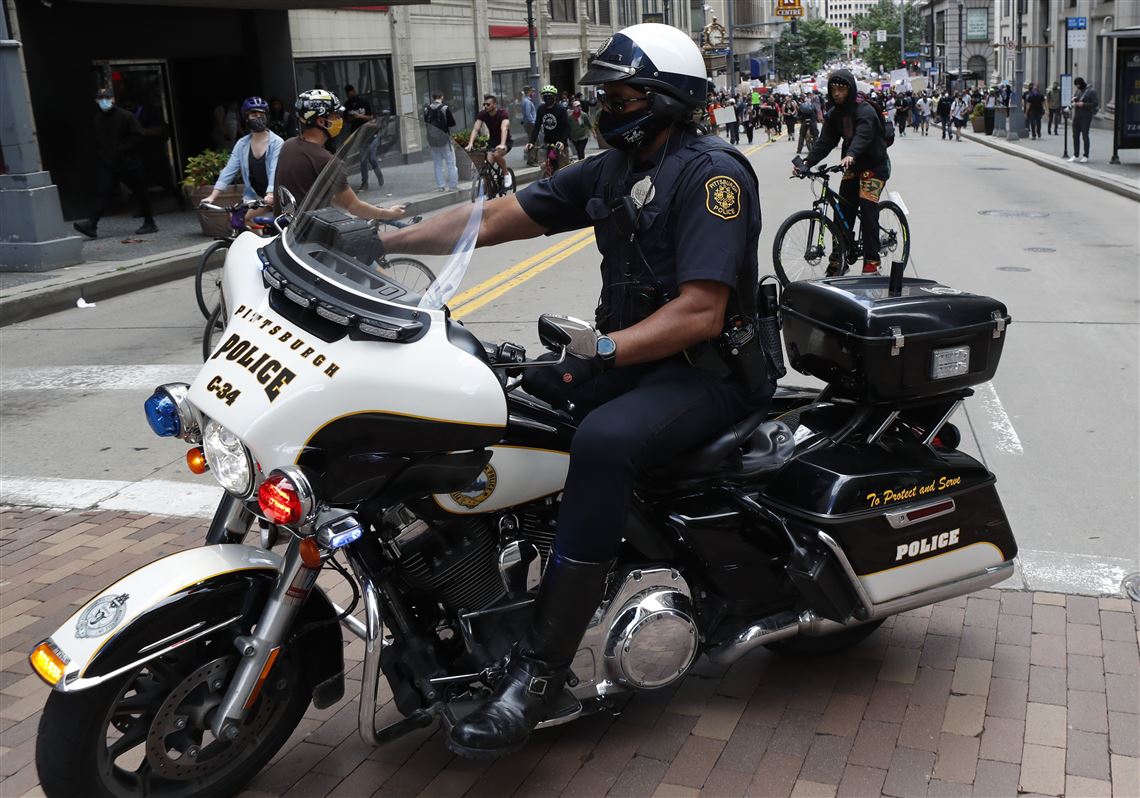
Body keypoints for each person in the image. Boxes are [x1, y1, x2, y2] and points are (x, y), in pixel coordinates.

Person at [381, 22, 770, 759]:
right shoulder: (610, 171)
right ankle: (493, 591)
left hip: (706, 374)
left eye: (620, 95)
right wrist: (384, 239)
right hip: (627, 362)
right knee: (507, 402)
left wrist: (604, 350)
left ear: (661, 99)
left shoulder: (713, 175)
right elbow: (494, 218)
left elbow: (701, 312)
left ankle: (539, 670)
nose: (605, 107)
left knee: (602, 442)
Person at [797, 69, 891, 276]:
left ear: (850, 89)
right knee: (842, 213)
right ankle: (839, 258)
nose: (837, 93)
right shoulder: (833, 114)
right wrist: (806, 162)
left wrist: (852, 153)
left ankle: (872, 261)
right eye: (833, 89)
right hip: (852, 167)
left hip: (875, 166)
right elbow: (825, 142)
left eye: (841, 89)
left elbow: (863, 136)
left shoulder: (865, 110)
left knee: (867, 207)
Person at [274, 89, 406, 223]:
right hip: (312, 238)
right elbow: (354, 207)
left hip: (284, 232)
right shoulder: (326, 161)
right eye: (335, 115)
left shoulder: (288, 145)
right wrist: (390, 213)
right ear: (321, 122)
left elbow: (325, 194)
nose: (340, 119)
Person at [73, 88, 158, 239]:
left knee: (139, 192)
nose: (104, 101)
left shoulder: (126, 116)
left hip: (129, 163)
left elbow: (139, 137)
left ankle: (150, 222)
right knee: (103, 192)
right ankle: (92, 224)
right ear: (96, 101)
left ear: (113, 99)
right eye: (100, 98)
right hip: (110, 163)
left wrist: (122, 150)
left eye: (107, 97)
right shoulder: (98, 119)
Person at [202, 97, 284, 226]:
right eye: (254, 114)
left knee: (244, 218)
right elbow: (229, 170)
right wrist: (212, 197)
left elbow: (275, 169)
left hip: (275, 196)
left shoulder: (277, 142)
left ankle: (260, 244)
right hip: (254, 197)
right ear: (246, 118)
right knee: (235, 219)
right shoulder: (242, 144)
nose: (258, 117)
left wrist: (270, 194)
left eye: (262, 114)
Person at [468, 93, 513, 189]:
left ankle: (506, 174)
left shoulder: (503, 113)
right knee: (487, 168)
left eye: (488, 104)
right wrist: (470, 143)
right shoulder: (483, 114)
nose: (485, 106)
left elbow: (504, 129)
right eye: (484, 104)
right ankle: (488, 191)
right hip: (492, 142)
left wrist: (502, 144)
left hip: (505, 142)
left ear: (494, 104)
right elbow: (476, 129)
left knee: (497, 154)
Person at [344, 85, 383, 189]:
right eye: (347, 94)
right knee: (363, 160)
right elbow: (346, 120)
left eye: (350, 92)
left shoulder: (364, 102)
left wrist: (360, 116)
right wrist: (352, 118)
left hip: (371, 135)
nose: (349, 95)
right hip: (360, 137)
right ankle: (365, 182)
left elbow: (372, 118)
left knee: (372, 158)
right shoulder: (347, 105)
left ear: (353, 91)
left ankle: (379, 175)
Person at [527, 85, 571, 174]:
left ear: (554, 97)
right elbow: (537, 126)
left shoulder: (561, 109)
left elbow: (567, 127)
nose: (547, 98)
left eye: (550, 96)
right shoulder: (541, 109)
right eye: (545, 96)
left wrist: (562, 141)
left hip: (560, 144)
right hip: (547, 143)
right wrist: (531, 142)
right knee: (543, 166)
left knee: (563, 171)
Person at [424, 91, 458, 192]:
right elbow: (452, 123)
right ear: (441, 97)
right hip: (444, 139)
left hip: (432, 141)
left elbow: (426, 123)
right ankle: (453, 186)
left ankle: (440, 186)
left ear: (433, 97)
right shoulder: (445, 108)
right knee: (451, 163)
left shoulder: (426, 109)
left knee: (437, 164)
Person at [1069, 77, 1099, 163]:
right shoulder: (1078, 91)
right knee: (1075, 135)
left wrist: (1084, 104)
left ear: (1081, 83)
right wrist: (1074, 100)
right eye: (1076, 85)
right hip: (1077, 115)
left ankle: (1086, 155)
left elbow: (1095, 103)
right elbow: (1075, 99)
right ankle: (1075, 154)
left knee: (1085, 135)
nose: (1077, 86)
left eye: (1078, 84)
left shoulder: (1091, 91)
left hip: (1086, 116)